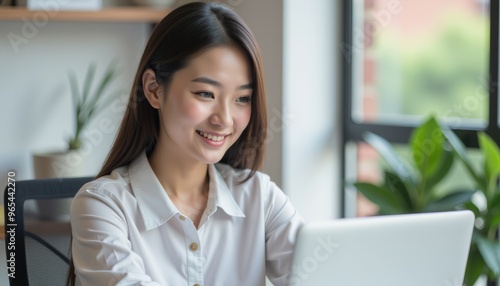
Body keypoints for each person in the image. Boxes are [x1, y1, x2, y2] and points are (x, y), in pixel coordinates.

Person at [69, 2, 304, 285]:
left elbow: (323, 276)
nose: (224, 119)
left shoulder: (260, 198)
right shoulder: (102, 206)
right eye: (206, 93)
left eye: (242, 98)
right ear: (154, 89)